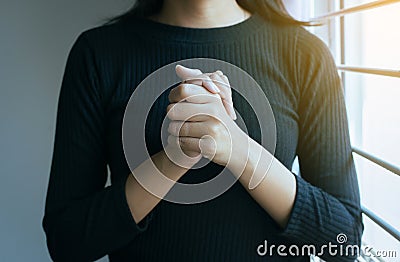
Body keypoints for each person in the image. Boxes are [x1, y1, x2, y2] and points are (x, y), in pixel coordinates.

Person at [42, 0, 363, 261]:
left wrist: (238, 149)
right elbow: (67, 242)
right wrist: (173, 159)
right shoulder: (98, 54)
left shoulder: (303, 55)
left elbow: (344, 241)